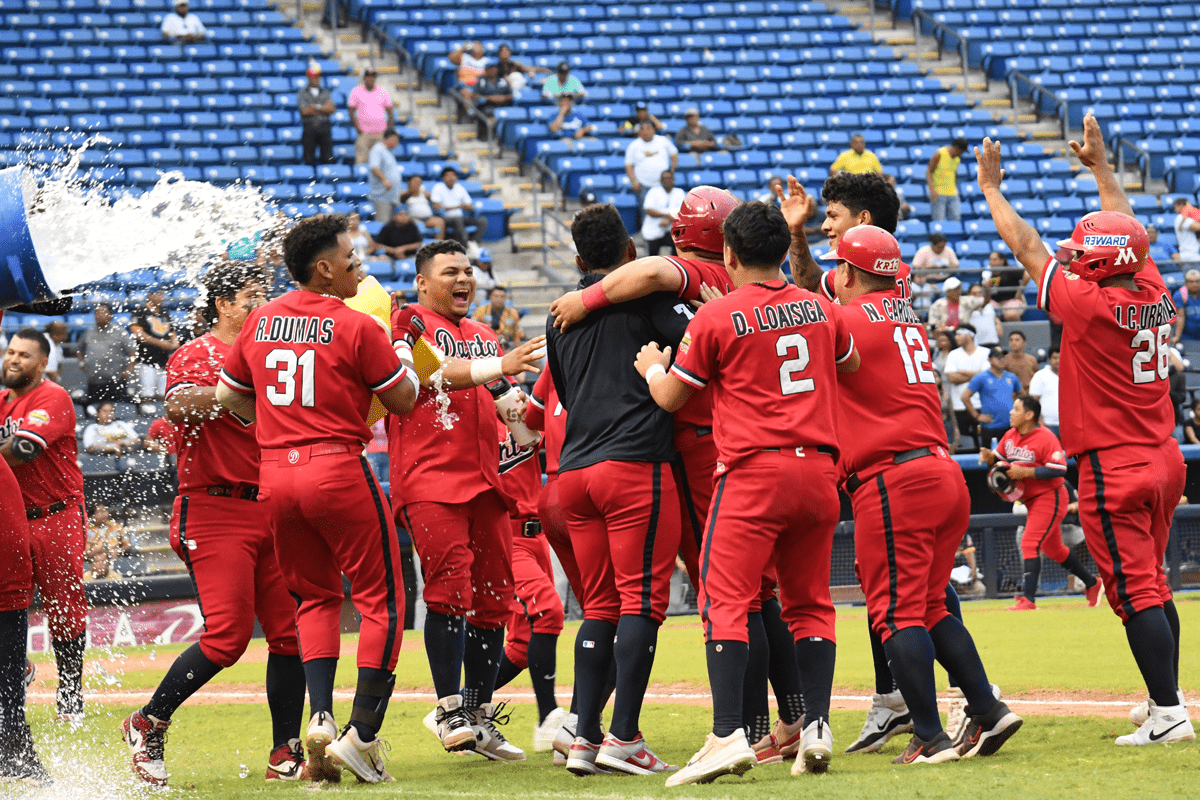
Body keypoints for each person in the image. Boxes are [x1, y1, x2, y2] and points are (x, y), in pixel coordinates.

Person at [547, 188, 811, 766]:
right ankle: (785, 722)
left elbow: (643, 280)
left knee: (625, 603)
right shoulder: (747, 290)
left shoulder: (678, 281)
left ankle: (595, 730)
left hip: (634, 459)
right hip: (739, 448)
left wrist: (584, 299)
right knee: (755, 595)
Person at [980, 112, 1194, 746]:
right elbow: (1131, 235)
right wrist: (1102, 171)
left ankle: (1168, 713)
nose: (1073, 261)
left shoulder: (1090, 303)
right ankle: (1168, 698)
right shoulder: (1155, 288)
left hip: (1115, 464)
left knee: (1133, 591)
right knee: (1152, 583)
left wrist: (992, 191)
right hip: (1164, 453)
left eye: (1082, 256)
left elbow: (1028, 249)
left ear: (1099, 268)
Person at [637, 201, 857, 785]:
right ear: (783, 251)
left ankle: (728, 733)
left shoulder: (715, 317)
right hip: (819, 473)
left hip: (754, 473)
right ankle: (815, 727)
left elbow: (672, 399)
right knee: (810, 602)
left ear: (729, 254)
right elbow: (851, 361)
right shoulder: (819, 307)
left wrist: (652, 370)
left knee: (725, 600)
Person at [216, 213, 419, 783]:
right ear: (324, 270)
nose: (361, 268)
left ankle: (321, 717)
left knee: (314, 599)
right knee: (383, 600)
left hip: (275, 474)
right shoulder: (357, 325)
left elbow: (227, 396)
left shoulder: (259, 320)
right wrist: (403, 351)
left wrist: (276, 429)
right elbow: (402, 400)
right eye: (352, 261)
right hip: (336, 468)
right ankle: (364, 735)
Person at [821, 224, 1022, 765]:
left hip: (893, 479)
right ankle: (987, 708)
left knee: (893, 612)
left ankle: (931, 737)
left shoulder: (847, 316)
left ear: (847, 272)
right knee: (931, 607)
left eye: (838, 267)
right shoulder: (904, 314)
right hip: (941, 473)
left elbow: (800, 323)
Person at [121, 263, 309, 787]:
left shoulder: (275, 353)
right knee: (227, 638)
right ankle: (147, 721)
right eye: (251, 298)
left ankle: (285, 750)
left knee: (289, 636)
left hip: (270, 505)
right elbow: (179, 405)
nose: (261, 306)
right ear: (223, 304)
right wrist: (241, 392)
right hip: (214, 505)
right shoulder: (197, 352)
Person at [546, 204, 689, 777]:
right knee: (643, 603)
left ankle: (583, 736)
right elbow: (704, 344)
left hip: (573, 476)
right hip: (634, 466)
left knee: (598, 606)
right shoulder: (648, 297)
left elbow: (563, 391)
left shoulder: (559, 317)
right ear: (631, 252)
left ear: (579, 260)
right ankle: (624, 738)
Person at [388, 240, 544, 761]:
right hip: (430, 479)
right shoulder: (407, 320)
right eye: (450, 271)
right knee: (450, 588)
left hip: (486, 482)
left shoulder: (480, 332)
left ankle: (476, 715)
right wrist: (498, 364)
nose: (464, 280)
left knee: (497, 598)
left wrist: (526, 423)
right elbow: (429, 376)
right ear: (422, 282)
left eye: (469, 271)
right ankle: (448, 706)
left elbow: (505, 404)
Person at [0, 328, 88, 723]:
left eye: (23, 355)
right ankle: (18, 668)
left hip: (56, 515)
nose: (12, 359)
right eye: (10, 352)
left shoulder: (53, 396)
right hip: (13, 517)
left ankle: (70, 693)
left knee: (64, 608)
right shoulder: (1, 401)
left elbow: (24, 447)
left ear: (42, 363)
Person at [487, 421, 568, 754]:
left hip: (537, 537)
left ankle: (459, 708)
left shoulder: (517, 404)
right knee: (547, 612)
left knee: (522, 645)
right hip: (504, 536)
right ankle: (548, 720)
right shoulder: (468, 409)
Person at [980, 394, 1103, 611]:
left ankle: (1029, 599)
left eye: (1016, 409)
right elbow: (1000, 461)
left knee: (1029, 542)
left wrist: (1024, 471)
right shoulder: (1010, 435)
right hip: (1030, 500)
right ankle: (1093, 584)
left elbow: (1059, 469)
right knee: (1054, 549)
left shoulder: (1045, 437)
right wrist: (990, 458)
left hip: (1051, 496)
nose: (1011, 412)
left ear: (1029, 415)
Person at [961, 346, 1020, 444]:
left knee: (1011, 456)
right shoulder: (981, 377)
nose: (1002, 359)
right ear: (990, 360)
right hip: (990, 427)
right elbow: (964, 397)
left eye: (1004, 357)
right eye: (998, 357)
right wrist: (977, 416)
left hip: (1010, 425)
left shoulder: (1012, 377)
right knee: (991, 457)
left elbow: (1022, 395)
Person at [943, 326, 988, 449]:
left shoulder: (985, 352)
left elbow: (986, 376)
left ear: (969, 335)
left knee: (983, 442)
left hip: (981, 404)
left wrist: (962, 372)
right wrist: (976, 375)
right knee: (964, 443)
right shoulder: (953, 354)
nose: (956, 337)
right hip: (959, 406)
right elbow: (952, 378)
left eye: (959, 334)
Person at [130, 290, 179, 400]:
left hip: (164, 360)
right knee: (147, 395)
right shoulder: (140, 311)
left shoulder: (164, 312)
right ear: (150, 296)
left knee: (164, 395)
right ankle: (146, 416)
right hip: (146, 360)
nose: (161, 297)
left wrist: (174, 343)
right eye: (158, 294)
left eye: (162, 294)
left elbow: (172, 331)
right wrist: (161, 343)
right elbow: (140, 335)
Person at [430, 167, 488, 250]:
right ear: (443, 178)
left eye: (453, 175)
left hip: (460, 217)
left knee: (482, 220)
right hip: (445, 218)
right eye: (448, 175)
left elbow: (470, 206)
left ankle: (473, 243)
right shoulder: (438, 187)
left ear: (456, 177)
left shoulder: (459, 187)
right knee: (458, 219)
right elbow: (436, 206)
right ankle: (466, 246)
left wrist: (465, 207)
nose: (451, 178)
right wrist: (459, 206)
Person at [625, 121, 678, 207]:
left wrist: (672, 170)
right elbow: (628, 165)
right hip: (643, 184)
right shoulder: (634, 145)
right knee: (646, 210)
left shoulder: (663, 141)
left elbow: (674, 153)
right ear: (639, 132)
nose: (646, 131)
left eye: (648, 128)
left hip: (662, 183)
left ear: (653, 129)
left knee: (664, 208)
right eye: (643, 129)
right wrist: (633, 181)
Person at [348, 67, 394, 165]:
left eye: (372, 76)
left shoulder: (382, 91)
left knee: (381, 161)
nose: (370, 79)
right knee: (361, 159)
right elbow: (351, 111)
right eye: (368, 76)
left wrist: (390, 130)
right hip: (364, 132)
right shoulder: (356, 91)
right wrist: (357, 127)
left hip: (381, 132)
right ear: (364, 78)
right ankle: (361, 180)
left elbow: (390, 111)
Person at [298, 62, 335, 167]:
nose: (316, 79)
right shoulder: (302, 92)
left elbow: (331, 108)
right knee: (308, 158)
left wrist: (316, 107)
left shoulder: (325, 92)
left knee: (327, 157)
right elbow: (305, 111)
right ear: (309, 78)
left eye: (318, 77)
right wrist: (323, 108)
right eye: (313, 77)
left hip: (325, 127)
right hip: (309, 127)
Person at [640, 170, 684, 256]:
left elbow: (683, 211)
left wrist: (669, 219)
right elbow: (649, 210)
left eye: (669, 178)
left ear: (673, 180)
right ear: (661, 181)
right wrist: (668, 215)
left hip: (672, 229)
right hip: (655, 228)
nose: (667, 180)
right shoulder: (653, 191)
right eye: (664, 179)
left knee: (677, 249)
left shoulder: (679, 192)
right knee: (653, 254)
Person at [926, 138, 968, 222]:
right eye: (961, 151)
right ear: (956, 148)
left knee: (956, 219)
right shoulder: (939, 154)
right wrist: (932, 190)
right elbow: (929, 172)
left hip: (953, 193)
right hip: (939, 192)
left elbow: (954, 173)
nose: (962, 153)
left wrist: (955, 187)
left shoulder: (957, 159)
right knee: (939, 221)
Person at [471, 286, 524, 351]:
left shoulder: (512, 313)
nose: (499, 299)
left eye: (502, 296)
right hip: (484, 342)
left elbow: (516, 334)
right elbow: (472, 329)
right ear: (490, 297)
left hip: (504, 342)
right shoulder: (480, 310)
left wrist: (518, 352)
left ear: (505, 298)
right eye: (496, 296)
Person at [367, 129, 402, 223]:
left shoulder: (387, 151)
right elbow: (374, 167)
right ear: (390, 138)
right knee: (383, 225)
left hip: (390, 196)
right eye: (396, 140)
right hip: (382, 196)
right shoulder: (378, 149)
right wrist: (384, 180)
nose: (397, 143)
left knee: (390, 227)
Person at [400, 175, 446, 241]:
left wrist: (427, 194)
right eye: (415, 181)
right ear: (409, 183)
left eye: (419, 182)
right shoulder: (405, 193)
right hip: (413, 219)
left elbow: (435, 200)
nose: (417, 183)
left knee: (440, 222)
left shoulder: (424, 193)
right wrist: (411, 191)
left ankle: (439, 245)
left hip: (427, 219)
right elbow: (401, 198)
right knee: (418, 225)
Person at [473, 62, 513, 132]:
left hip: (503, 105)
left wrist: (504, 98)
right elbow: (475, 96)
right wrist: (490, 98)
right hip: (486, 106)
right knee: (488, 113)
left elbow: (513, 95)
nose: (493, 70)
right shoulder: (481, 81)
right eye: (490, 68)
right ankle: (489, 135)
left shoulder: (502, 80)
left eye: (494, 68)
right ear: (486, 70)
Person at [1171, 269, 1200, 344]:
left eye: (1197, 281)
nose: (1195, 284)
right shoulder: (1180, 295)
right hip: (1186, 338)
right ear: (1186, 283)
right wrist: (1177, 336)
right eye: (1191, 282)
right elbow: (1180, 317)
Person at [1172, 198, 1200, 262]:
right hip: (1189, 256)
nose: (1175, 210)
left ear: (1180, 205)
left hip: (1194, 255)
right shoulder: (1180, 217)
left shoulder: (1190, 214)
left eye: (1175, 207)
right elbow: (1197, 227)